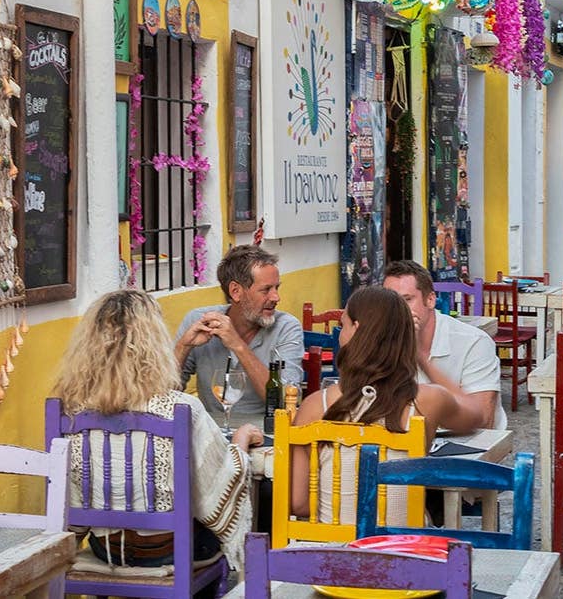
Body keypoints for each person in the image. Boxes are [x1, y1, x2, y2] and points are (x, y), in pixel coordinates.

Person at [54, 289, 261, 572]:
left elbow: (71, 501)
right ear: (154, 343)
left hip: (107, 550)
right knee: (227, 518)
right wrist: (241, 440)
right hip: (170, 551)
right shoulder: (182, 407)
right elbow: (224, 480)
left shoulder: (71, 410)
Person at [287, 286, 487, 524]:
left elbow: (299, 503)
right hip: (404, 552)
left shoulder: (314, 406)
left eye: (343, 325)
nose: (340, 334)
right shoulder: (429, 400)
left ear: (356, 331)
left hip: (331, 554)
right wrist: (421, 358)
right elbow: (476, 414)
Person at [175, 245, 304, 416]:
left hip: (266, 436)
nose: (276, 298)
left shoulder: (287, 327)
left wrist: (238, 345)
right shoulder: (199, 321)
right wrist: (183, 347)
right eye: (266, 290)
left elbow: (284, 402)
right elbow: (164, 394)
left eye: (276, 288)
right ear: (236, 292)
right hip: (211, 434)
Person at [381, 260, 507, 430]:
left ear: (431, 299)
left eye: (407, 300)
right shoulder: (383, 340)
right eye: (391, 303)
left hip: (467, 444)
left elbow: (483, 420)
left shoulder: (474, 342)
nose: (398, 310)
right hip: (408, 442)